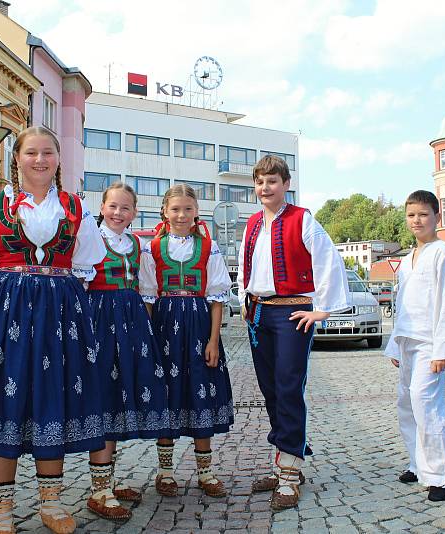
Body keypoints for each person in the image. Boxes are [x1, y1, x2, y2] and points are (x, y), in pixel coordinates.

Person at [0, 126, 107, 534]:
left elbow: (85, 266)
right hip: (4, 317)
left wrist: (51, 297)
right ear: (16, 159)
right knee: (2, 401)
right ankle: (1, 510)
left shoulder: (75, 207)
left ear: (57, 159)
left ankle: (50, 503)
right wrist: (6, 299)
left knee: (53, 399)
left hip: (60, 317)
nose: (39, 159)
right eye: (31, 152)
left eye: (47, 152)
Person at [238, 155, 350, 510]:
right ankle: (287, 457)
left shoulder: (303, 219)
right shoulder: (253, 223)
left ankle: (289, 473)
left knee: (288, 387)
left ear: (286, 184)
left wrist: (322, 309)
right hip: (259, 312)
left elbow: (328, 259)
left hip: (291, 312)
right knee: (270, 388)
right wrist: (244, 298)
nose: (265, 188)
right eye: (259, 182)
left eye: (272, 181)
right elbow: (245, 263)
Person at [81, 182, 170, 521]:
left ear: (134, 213)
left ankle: (110, 481)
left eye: (126, 208)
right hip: (100, 322)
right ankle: (100, 490)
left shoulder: (138, 245)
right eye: (113, 206)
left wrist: (144, 334)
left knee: (118, 397)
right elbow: (82, 286)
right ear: (102, 207)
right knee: (103, 398)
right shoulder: (90, 240)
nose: (118, 213)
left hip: (131, 324)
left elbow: (147, 290)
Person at [139, 184, 234, 498]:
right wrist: (150, 340)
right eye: (175, 209)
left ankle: (206, 473)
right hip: (165, 326)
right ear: (165, 212)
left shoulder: (209, 247)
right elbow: (149, 298)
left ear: (197, 213)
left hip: (198, 324)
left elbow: (217, 299)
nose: (181, 215)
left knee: (201, 395)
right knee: (167, 397)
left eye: (188, 209)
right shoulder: (152, 248)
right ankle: (165, 473)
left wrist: (213, 341)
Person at [385, 189, 445, 502]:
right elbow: (401, 303)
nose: (417, 220)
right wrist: (394, 344)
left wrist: (443, 350)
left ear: (436, 217)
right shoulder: (407, 260)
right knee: (406, 403)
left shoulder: (443, 253)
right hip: (407, 341)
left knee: (425, 403)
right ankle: (417, 463)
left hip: (431, 344)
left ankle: (439, 477)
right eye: (411, 215)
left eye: (423, 214)